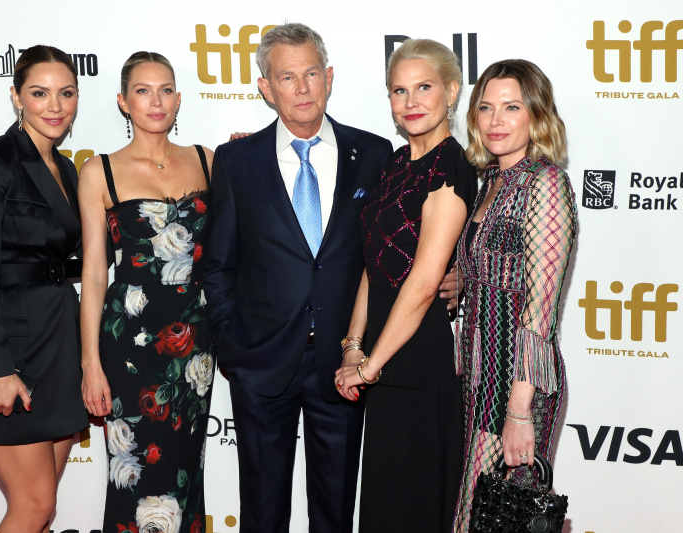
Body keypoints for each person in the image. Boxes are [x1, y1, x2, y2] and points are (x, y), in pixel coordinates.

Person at [203, 22, 394, 533]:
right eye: (287, 77)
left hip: (345, 362)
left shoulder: (374, 155)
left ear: (329, 78)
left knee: (335, 510)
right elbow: (218, 264)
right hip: (261, 360)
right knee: (262, 511)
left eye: (311, 73)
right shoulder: (236, 161)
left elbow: (391, 257)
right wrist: (231, 345)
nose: (303, 88)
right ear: (266, 88)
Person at [333, 38, 477, 532]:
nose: (410, 101)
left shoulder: (451, 166)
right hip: (384, 352)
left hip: (417, 355)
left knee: (410, 503)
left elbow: (422, 281)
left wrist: (370, 365)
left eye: (424, 87)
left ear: (452, 92)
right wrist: (354, 346)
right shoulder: (395, 163)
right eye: (399, 90)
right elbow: (375, 267)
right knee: (385, 502)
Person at [78, 52, 214, 533]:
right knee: (131, 471)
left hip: (194, 341)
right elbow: (95, 273)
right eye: (142, 90)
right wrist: (90, 364)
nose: (155, 101)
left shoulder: (208, 160)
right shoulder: (100, 171)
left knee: (184, 467)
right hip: (128, 338)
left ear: (178, 99)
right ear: (123, 102)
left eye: (165, 90)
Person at [0, 45, 89, 533]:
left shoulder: (69, 170)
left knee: (42, 508)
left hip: (58, 340)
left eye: (66, 93)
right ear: (16, 96)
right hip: (8, 349)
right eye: (40, 93)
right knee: (32, 505)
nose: (55, 106)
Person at [452, 59, 576, 532]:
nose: (495, 120)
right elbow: (498, 270)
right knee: (476, 514)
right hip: (479, 379)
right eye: (485, 108)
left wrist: (519, 411)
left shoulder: (543, 182)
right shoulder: (492, 181)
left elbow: (540, 311)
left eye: (511, 107)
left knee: (500, 517)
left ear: (536, 116)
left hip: (517, 384)